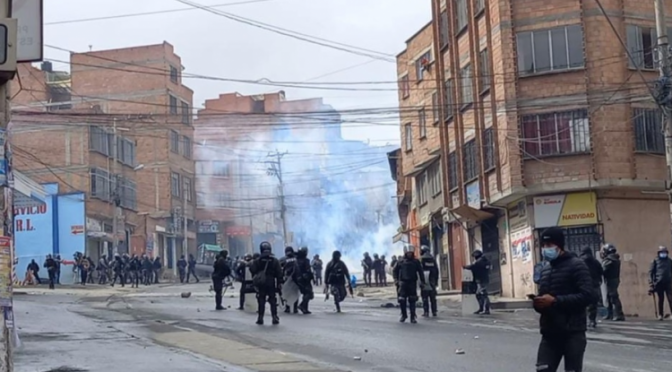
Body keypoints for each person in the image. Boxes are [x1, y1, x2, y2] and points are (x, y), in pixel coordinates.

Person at [534, 227, 595, 372]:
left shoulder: (577, 265)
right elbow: (544, 297)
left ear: (559, 246)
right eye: (543, 246)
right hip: (549, 333)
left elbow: (588, 295)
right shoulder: (545, 270)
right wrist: (539, 304)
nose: (545, 249)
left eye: (549, 245)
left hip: (572, 332)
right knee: (543, 369)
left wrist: (555, 301)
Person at [250, 241, 283, 325]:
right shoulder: (274, 260)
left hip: (261, 283)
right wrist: (279, 283)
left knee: (261, 300)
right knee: (272, 300)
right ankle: (274, 317)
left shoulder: (258, 260)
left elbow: (252, 270)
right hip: (271, 282)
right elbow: (279, 273)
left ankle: (260, 318)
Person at [393, 246, 425, 323]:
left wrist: (422, 282)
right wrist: (396, 280)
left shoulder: (416, 262)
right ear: (405, 253)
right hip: (403, 283)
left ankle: (413, 317)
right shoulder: (400, 261)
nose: (409, 254)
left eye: (411, 253)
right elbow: (394, 271)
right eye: (408, 253)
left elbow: (421, 272)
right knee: (402, 300)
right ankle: (404, 315)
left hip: (412, 283)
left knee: (412, 300)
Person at [579, 246, 603, 328]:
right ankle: (592, 320)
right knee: (593, 303)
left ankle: (583, 321)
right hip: (594, 285)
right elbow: (601, 271)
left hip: (584, 285)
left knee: (582, 303)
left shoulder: (580, 261)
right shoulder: (595, 261)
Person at [601, 243, 625, 321]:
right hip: (613, 279)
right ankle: (610, 314)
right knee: (609, 296)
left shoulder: (610, 260)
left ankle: (619, 314)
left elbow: (603, 269)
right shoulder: (614, 258)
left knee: (614, 297)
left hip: (611, 280)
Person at [464, 249, 491, 315]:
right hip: (482, 279)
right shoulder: (484, 260)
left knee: (483, 294)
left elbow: (473, 267)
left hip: (481, 280)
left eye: (474, 256)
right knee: (479, 294)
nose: (474, 258)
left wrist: (465, 267)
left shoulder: (480, 261)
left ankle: (486, 309)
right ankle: (481, 308)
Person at [648, 246, 672, 320]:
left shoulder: (669, 261)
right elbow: (651, 272)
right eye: (662, 252)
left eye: (664, 252)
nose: (663, 254)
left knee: (670, 299)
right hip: (659, 282)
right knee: (660, 299)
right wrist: (651, 283)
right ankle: (660, 314)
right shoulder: (655, 261)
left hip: (668, 282)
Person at [420, 246, 439, 317]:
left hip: (424, 280)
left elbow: (419, 271)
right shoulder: (433, 259)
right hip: (432, 281)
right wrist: (436, 281)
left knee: (425, 297)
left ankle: (426, 312)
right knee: (433, 298)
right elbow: (437, 271)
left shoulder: (422, 259)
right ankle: (434, 311)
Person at [295, 247, 314, 314]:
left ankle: (305, 308)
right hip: (305, 279)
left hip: (299, 279)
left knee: (306, 294)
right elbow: (308, 270)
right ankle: (302, 305)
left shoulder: (296, 259)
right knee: (309, 294)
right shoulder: (305, 261)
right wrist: (311, 276)